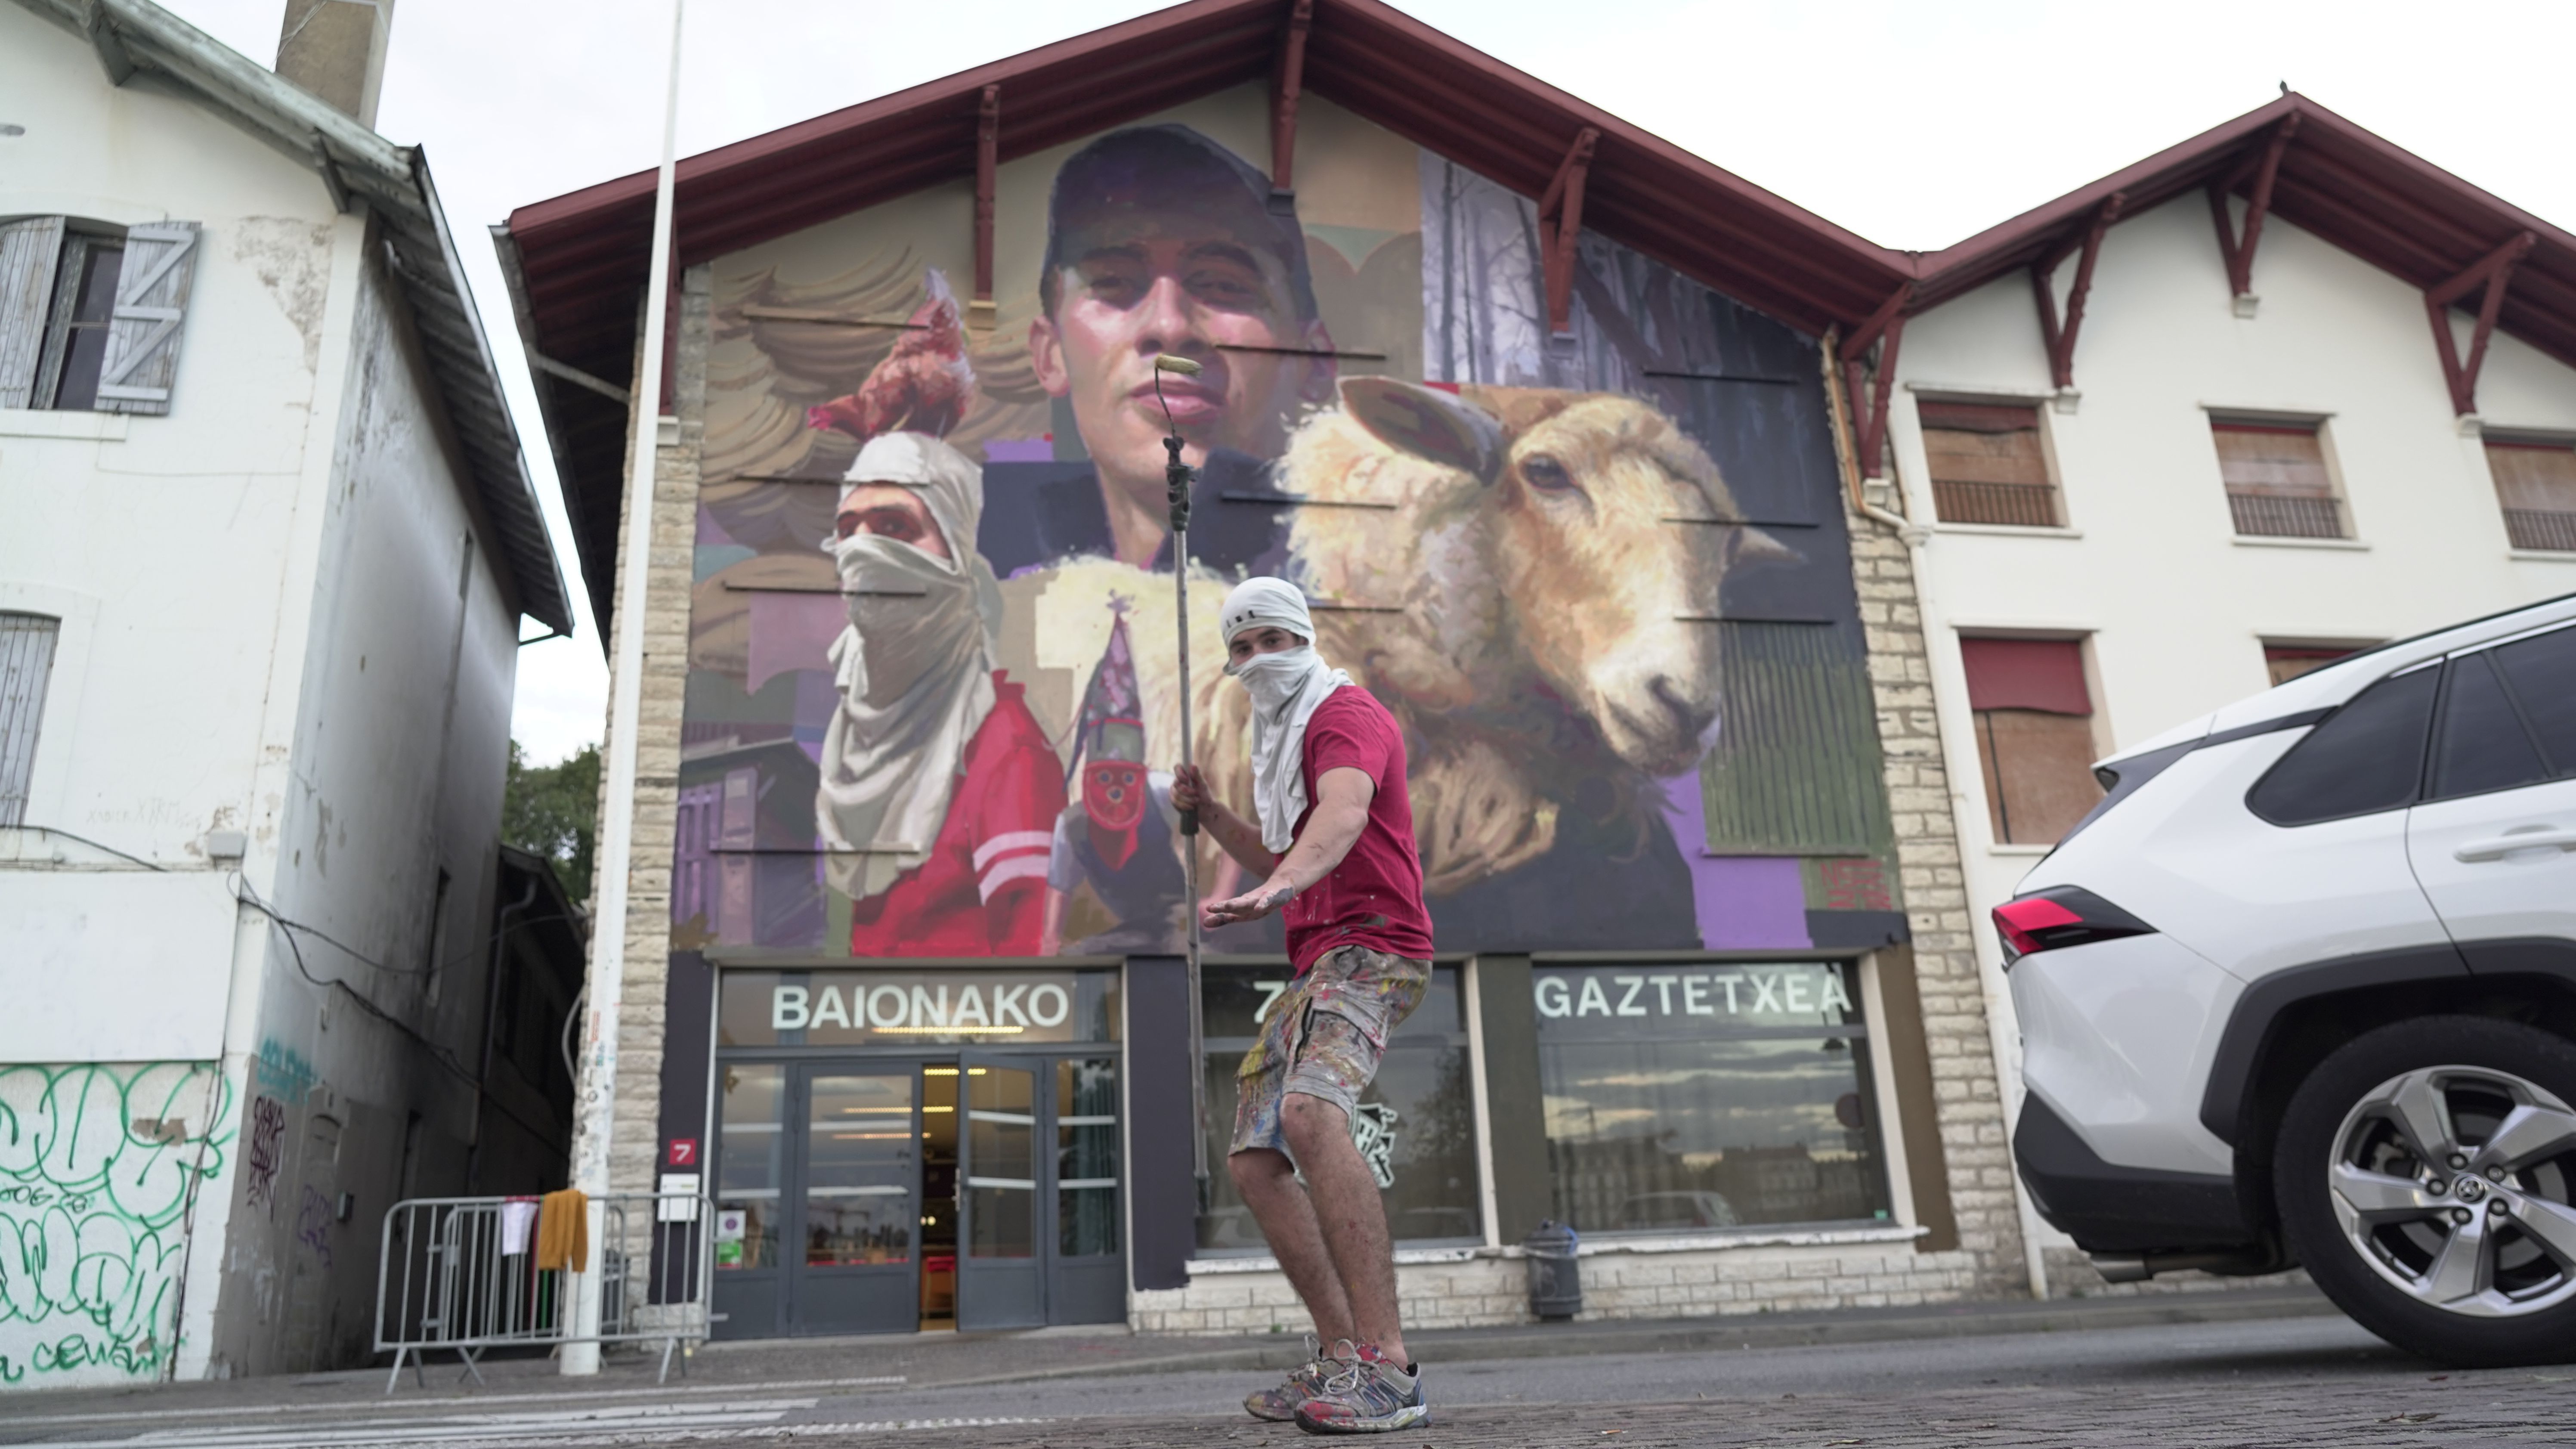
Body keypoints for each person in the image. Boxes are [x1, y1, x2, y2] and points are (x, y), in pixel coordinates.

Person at [1171, 576, 1437, 1435]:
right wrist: (1209, 812)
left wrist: (1280, 885)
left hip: (1376, 950)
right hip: (1315, 966)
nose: (1258, 662)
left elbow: (1345, 814)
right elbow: (1282, 846)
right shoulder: (1280, 742)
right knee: (1255, 1158)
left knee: (1311, 1113)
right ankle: (1340, 1357)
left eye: (1273, 642)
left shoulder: (1344, 715)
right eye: (1241, 650)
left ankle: (1391, 1369)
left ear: (1304, 638)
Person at [979, 125, 1333, 579]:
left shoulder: (1387, 592)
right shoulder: (979, 581)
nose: (1170, 327)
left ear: (1316, 363)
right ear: (1050, 355)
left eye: (1223, 285)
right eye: (1115, 283)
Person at [814, 431, 1064, 954]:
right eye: (848, 529)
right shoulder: (856, 739)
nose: (864, 548)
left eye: (894, 527)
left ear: (955, 554)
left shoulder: (1005, 753)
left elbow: (1035, 971)